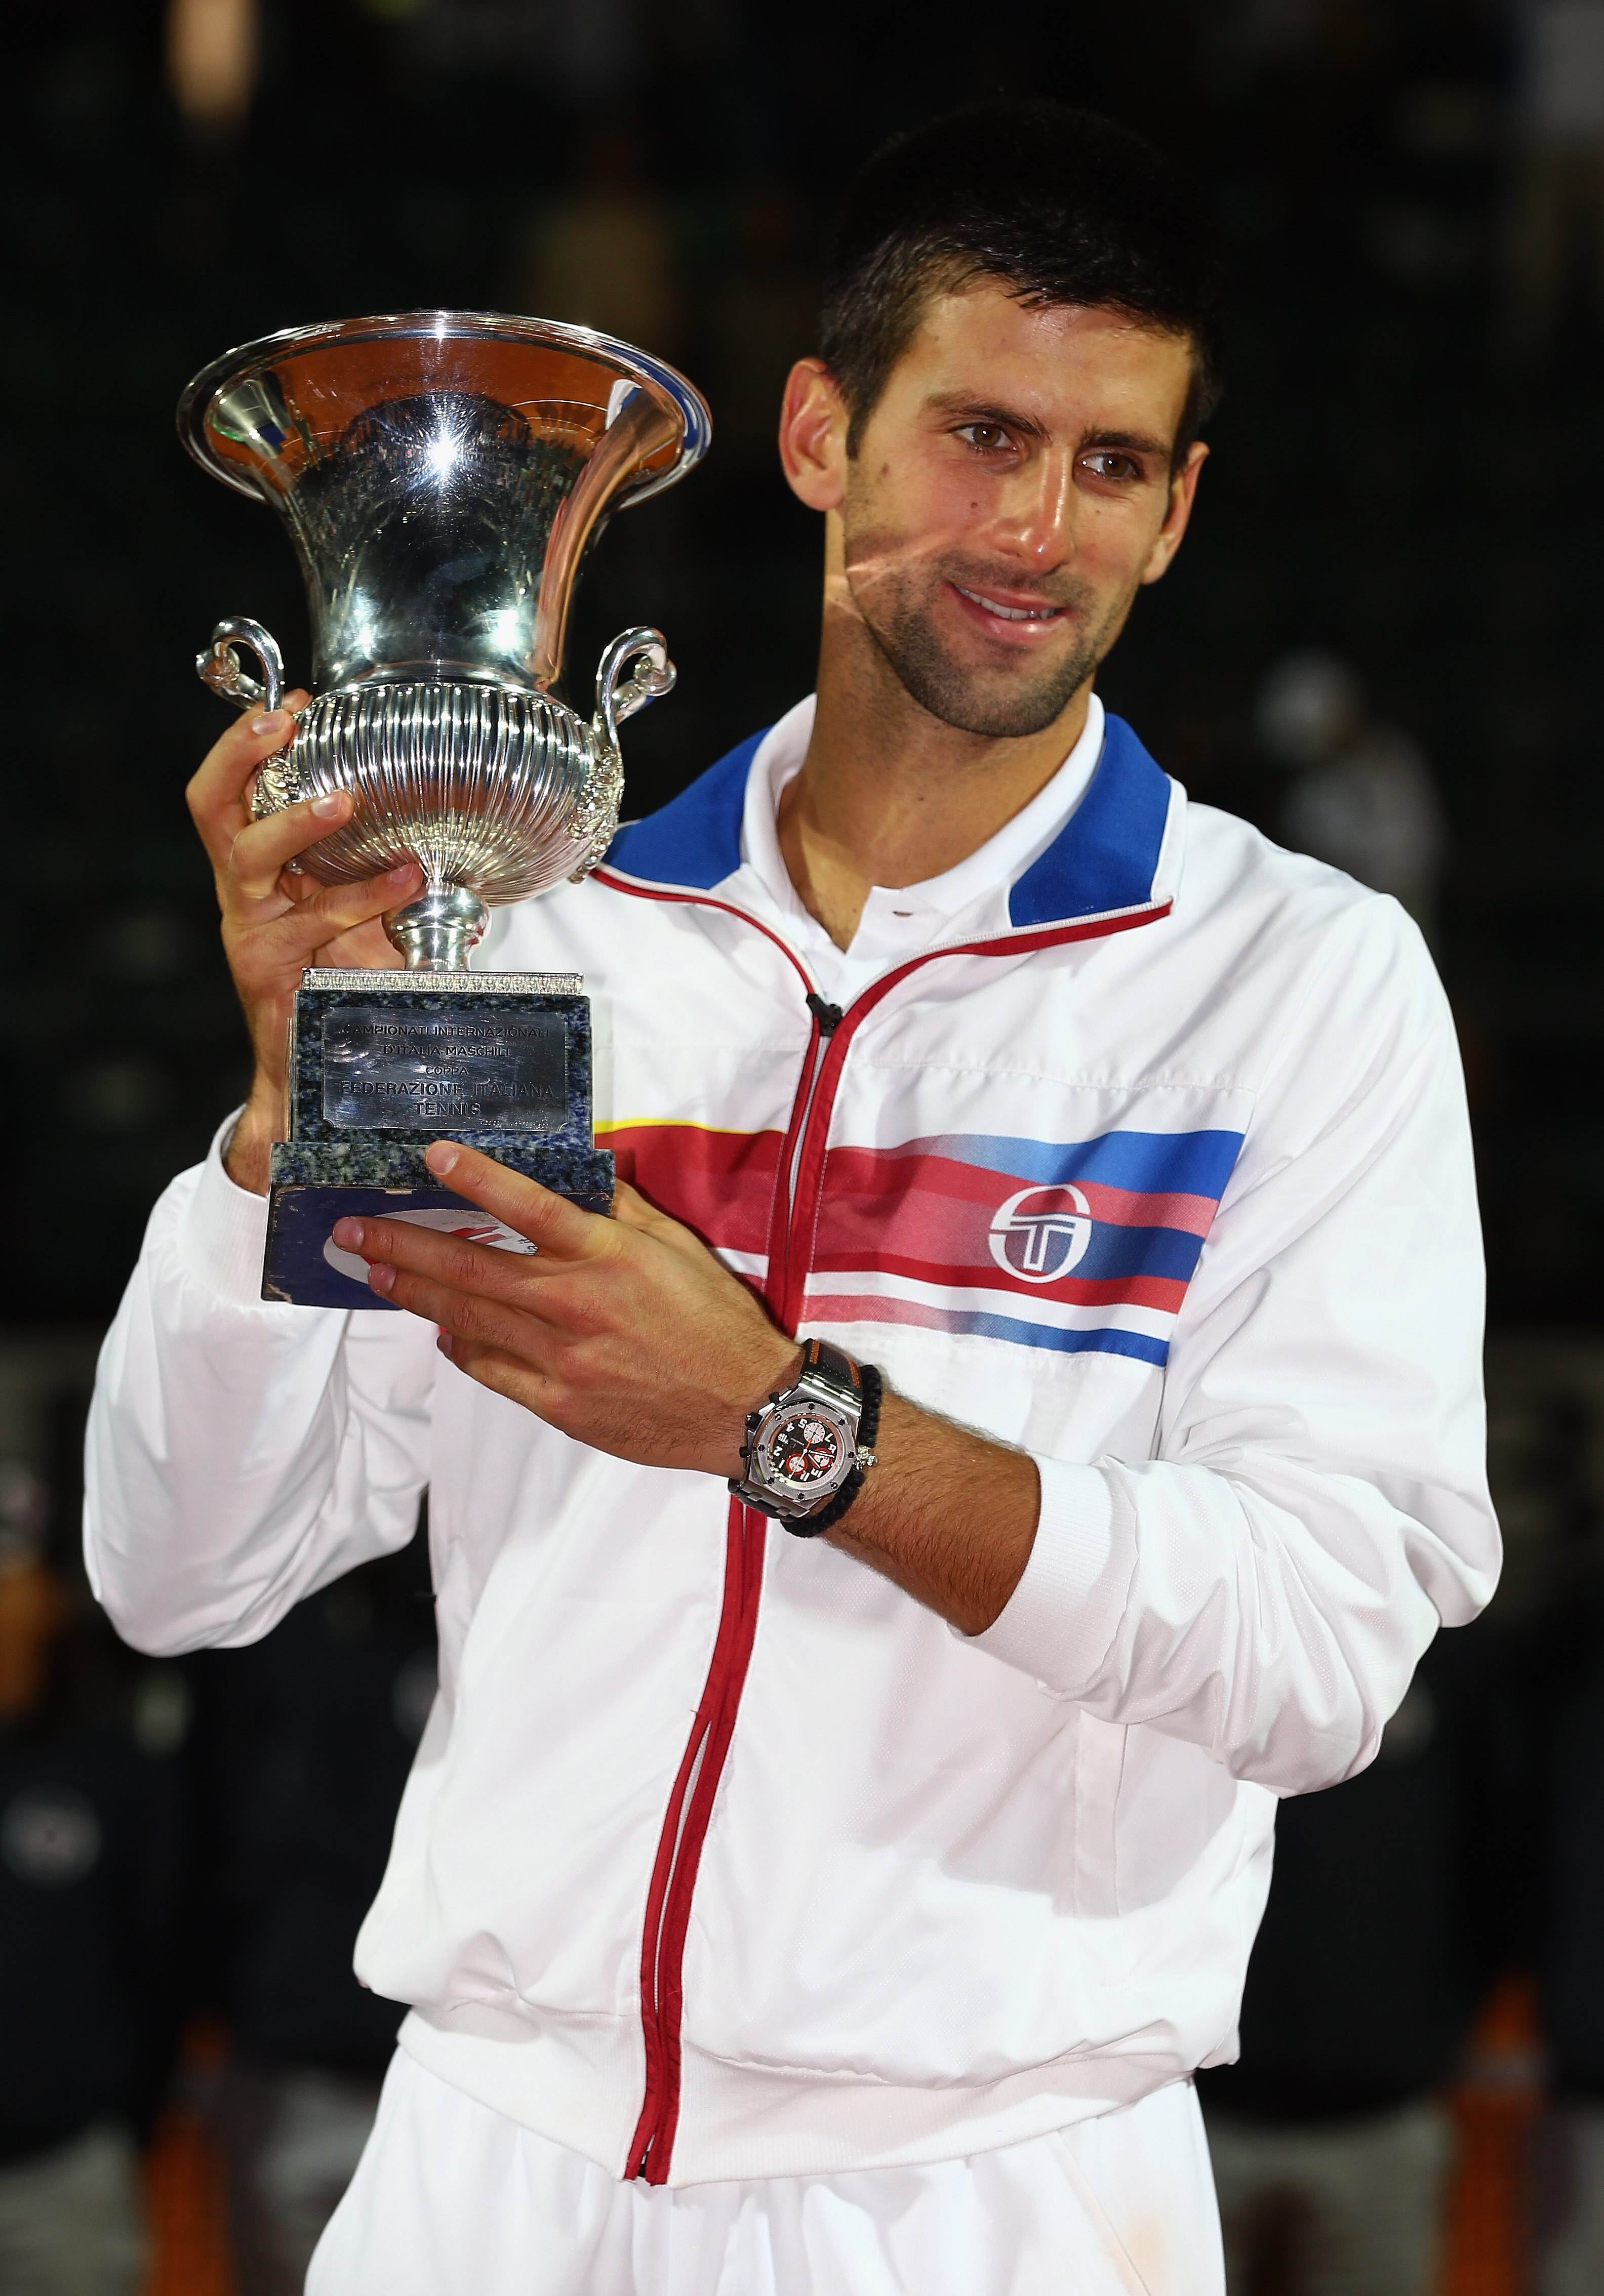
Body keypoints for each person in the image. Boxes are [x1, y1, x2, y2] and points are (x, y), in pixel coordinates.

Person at [85, 102, 1499, 2295]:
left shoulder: (1297, 981)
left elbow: (1325, 1644)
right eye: (980, 433)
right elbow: (187, 1569)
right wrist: (278, 1121)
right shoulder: (546, 932)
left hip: (995, 2194)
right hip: (484, 2160)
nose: (1035, 524)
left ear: (1182, 508)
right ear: (823, 429)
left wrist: (786, 1426)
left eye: (1110, 464)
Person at [0, 1463, 185, 2295]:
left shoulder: (114, 1768)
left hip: (65, 2167)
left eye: (15, 1578)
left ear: (51, 1599)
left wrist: (117, 2114)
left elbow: (161, 1959)